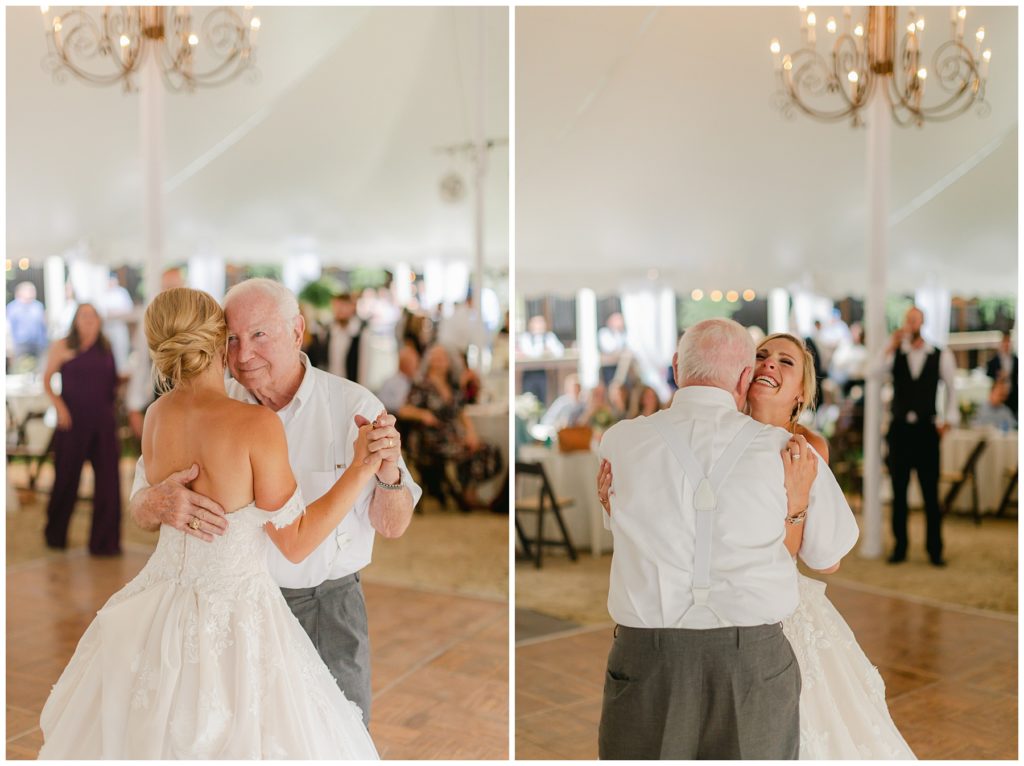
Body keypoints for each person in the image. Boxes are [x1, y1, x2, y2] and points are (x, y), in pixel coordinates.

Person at [39, 288, 380, 758]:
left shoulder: (157, 417)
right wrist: (362, 468)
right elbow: (296, 542)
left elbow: (146, 498)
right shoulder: (254, 425)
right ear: (220, 340)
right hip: (237, 616)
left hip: (158, 608)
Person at [126, 278, 420, 724]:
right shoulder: (214, 405)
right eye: (233, 339)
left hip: (326, 607)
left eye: (259, 335)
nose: (243, 355)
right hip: (231, 617)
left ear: (297, 331)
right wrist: (157, 502)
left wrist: (386, 469)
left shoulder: (353, 405)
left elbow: (393, 525)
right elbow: (139, 504)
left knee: (338, 731)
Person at [593, 318, 858, 760]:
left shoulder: (620, 441)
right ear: (743, 377)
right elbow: (828, 551)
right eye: (760, 359)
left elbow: (629, 526)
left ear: (677, 367)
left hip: (648, 659)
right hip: (751, 662)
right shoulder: (790, 454)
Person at [41, 304, 122, 556]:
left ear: (99, 320)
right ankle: (55, 534)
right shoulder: (63, 345)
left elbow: (112, 383)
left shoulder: (106, 347)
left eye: (93, 316)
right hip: (72, 422)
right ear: (75, 321)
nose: (88, 320)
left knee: (109, 483)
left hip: (104, 422)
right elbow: (47, 381)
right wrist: (60, 408)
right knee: (66, 478)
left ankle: (104, 543)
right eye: (83, 316)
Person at [881, 306, 959, 567]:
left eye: (915, 319)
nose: (911, 323)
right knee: (899, 492)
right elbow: (872, 374)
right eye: (908, 319)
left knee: (930, 494)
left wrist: (949, 420)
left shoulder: (939, 354)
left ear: (922, 322)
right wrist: (889, 346)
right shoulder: (895, 354)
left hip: (926, 432)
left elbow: (951, 388)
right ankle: (900, 546)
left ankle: (935, 549)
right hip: (899, 431)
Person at [400, 344, 499, 510]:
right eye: (435, 357)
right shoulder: (421, 384)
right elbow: (404, 410)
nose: (439, 361)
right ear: (429, 361)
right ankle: (464, 495)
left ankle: (468, 491)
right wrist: (423, 414)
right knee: (467, 452)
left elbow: (461, 412)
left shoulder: (452, 386)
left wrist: (471, 433)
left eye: (442, 358)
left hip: (453, 436)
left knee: (488, 450)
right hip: (431, 439)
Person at [125, 267, 186, 440]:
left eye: (175, 286)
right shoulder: (150, 320)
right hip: (160, 396)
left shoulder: (196, 319)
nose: (171, 292)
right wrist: (134, 406)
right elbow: (141, 364)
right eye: (166, 287)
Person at [7, 281, 48, 366]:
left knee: (40, 366)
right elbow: (10, 327)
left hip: (38, 342)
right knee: (21, 367)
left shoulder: (38, 306)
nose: (32, 293)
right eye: (29, 291)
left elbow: (43, 325)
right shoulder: (12, 307)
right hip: (20, 343)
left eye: (33, 291)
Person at [376, 342, 420, 414]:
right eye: (412, 363)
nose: (416, 366)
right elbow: (397, 407)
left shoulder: (413, 381)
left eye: (416, 362)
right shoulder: (392, 382)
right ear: (403, 363)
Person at [986, 331, 1017, 419]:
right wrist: (999, 377)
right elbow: (989, 376)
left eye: (1008, 342)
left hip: (1012, 394)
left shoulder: (1015, 359)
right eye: (1005, 342)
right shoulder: (994, 360)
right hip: (997, 395)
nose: (1007, 345)